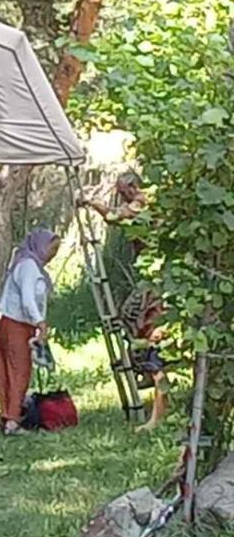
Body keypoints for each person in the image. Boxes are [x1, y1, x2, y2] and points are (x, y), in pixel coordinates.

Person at [82, 172, 168, 432]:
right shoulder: (144, 200)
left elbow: (114, 217)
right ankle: (141, 364)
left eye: (123, 191)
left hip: (160, 275)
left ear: (134, 186)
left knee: (144, 326)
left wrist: (90, 201)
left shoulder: (143, 201)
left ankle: (147, 368)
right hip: (151, 274)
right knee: (128, 316)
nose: (121, 196)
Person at [0, 229, 60, 436]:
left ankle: (8, 415)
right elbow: (28, 299)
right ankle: (12, 421)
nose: (52, 255)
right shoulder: (29, 267)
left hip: (14, 323)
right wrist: (39, 322)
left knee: (10, 371)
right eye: (51, 249)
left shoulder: (29, 264)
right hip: (17, 325)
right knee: (19, 372)